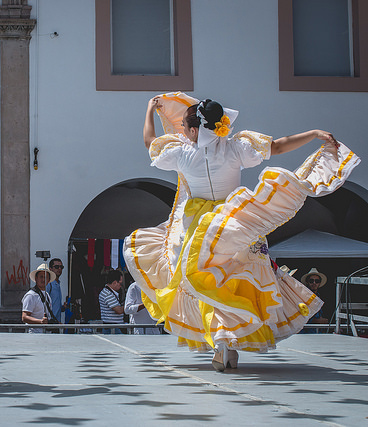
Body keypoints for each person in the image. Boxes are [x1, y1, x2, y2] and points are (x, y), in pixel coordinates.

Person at [124, 92, 359, 371]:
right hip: (235, 221)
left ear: (195, 130)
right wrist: (313, 133)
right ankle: (226, 344)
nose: (183, 132)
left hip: (198, 227)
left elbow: (149, 142)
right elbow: (278, 146)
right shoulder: (236, 147)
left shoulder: (182, 153)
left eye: (185, 127)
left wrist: (149, 110)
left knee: (202, 282)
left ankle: (222, 343)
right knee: (235, 282)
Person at [21, 263, 57, 333]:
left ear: (49, 280)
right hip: (34, 335)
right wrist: (40, 322)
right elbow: (24, 317)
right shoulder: (31, 295)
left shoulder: (47, 295)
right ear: (36, 278)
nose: (43, 279)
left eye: (46, 277)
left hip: (46, 334)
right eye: (41, 277)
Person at [98, 269, 125, 334]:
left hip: (114, 326)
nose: (121, 286)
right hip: (112, 327)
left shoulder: (109, 292)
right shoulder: (107, 294)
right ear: (115, 282)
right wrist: (129, 305)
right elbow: (119, 310)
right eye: (120, 283)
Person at [46, 258, 65, 323]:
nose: (59, 269)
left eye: (61, 267)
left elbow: (54, 306)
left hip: (56, 323)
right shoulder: (48, 284)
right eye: (56, 267)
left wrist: (63, 307)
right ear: (50, 269)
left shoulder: (57, 284)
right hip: (50, 323)